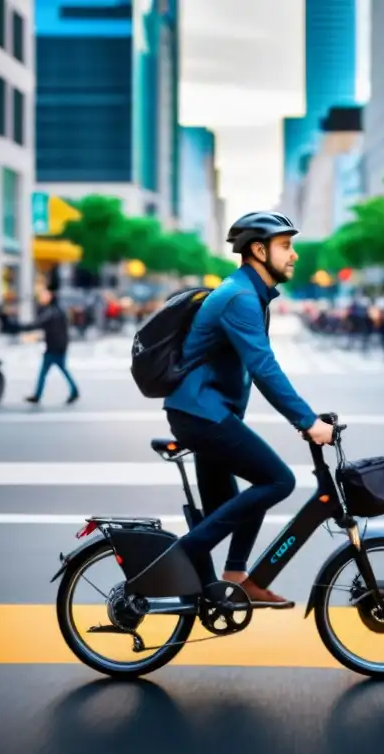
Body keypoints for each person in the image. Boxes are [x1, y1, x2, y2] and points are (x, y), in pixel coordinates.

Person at [163, 211, 334, 608]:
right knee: (277, 481)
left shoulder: (248, 293)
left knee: (250, 493)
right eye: (285, 246)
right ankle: (185, 553)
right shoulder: (241, 297)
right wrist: (307, 421)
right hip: (201, 415)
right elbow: (263, 367)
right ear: (259, 250)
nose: (293, 255)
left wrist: (305, 417)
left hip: (205, 414)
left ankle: (238, 578)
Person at [21, 287, 80, 405]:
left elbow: (38, 324)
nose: (42, 298)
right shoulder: (55, 310)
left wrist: (15, 327)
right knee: (57, 370)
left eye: (44, 295)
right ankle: (73, 391)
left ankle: (38, 395)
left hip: (55, 347)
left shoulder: (52, 312)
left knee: (48, 372)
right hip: (57, 346)